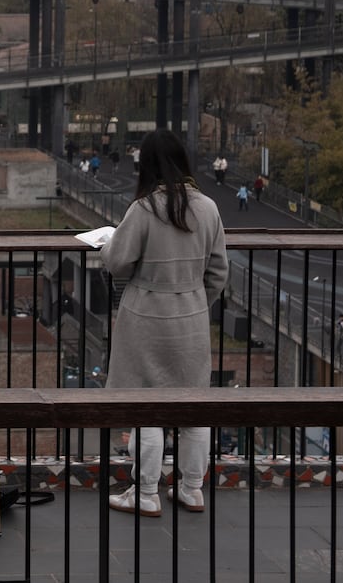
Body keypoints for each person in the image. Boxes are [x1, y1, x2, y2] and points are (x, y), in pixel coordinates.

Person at [102, 129, 229, 517]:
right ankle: (192, 489)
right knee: (193, 406)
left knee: (146, 408)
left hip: (146, 317)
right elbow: (219, 271)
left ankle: (144, 492)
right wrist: (193, 301)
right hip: (190, 318)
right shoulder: (208, 208)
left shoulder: (144, 209)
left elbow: (117, 261)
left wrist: (108, 242)